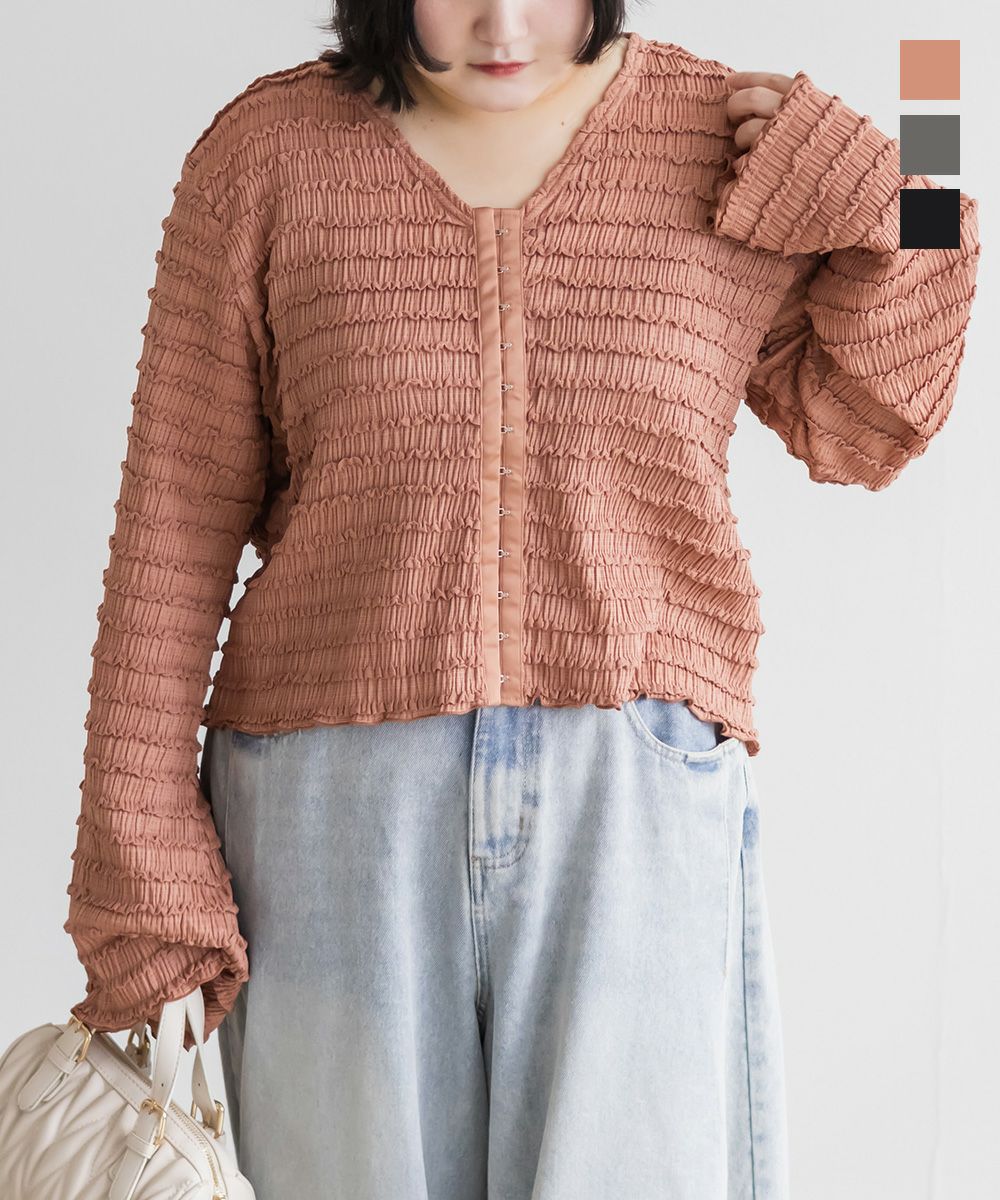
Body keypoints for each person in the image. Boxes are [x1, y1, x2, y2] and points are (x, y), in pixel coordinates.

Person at [63, 1, 981, 1197]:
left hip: (634, 799)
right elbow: (171, 528)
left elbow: (874, 420)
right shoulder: (264, 156)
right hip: (329, 820)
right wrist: (140, 856)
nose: (502, 22)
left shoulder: (717, 137)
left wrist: (898, 194)